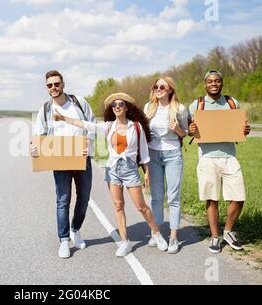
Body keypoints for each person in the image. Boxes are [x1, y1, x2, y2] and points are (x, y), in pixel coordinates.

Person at [53, 92, 168, 257]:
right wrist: (64, 118)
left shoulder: (136, 127)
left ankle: (156, 234)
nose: (117, 107)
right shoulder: (108, 126)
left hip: (130, 170)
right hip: (113, 170)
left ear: (126, 108)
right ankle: (124, 242)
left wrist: (147, 172)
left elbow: (143, 152)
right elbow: (86, 125)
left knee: (141, 206)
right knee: (118, 206)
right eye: (114, 105)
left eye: (120, 104)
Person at [31, 70, 96, 259]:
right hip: (59, 160)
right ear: (47, 88)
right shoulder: (45, 109)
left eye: (56, 84)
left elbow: (91, 124)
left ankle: (76, 229)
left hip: (82, 157)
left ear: (63, 84)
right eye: (49, 85)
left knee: (84, 198)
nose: (53, 88)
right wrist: (35, 148)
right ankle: (64, 240)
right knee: (63, 200)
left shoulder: (79, 102)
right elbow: (38, 135)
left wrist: (89, 146)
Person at [188, 69, 251, 254]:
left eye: (217, 81)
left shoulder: (232, 103)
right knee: (212, 198)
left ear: (221, 83)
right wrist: (191, 129)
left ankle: (228, 231)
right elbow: (190, 129)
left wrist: (245, 130)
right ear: (205, 84)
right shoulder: (197, 105)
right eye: (210, 81)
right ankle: (215, 237)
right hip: (207, 158)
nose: (214, 84)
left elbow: (241, 128)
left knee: (239, 197)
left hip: (229, 157)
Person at [144, 76, 189, 254]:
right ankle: (156, 233)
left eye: (162, 86)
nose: (158, 88)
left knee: (173, 198)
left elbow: (185, 133)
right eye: (156, 86)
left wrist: (177, 128)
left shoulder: (180, 108)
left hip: (172, 155)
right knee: (156, 196)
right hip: (153, 154)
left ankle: (174, 237)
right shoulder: (148, 107)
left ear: (170, 89)